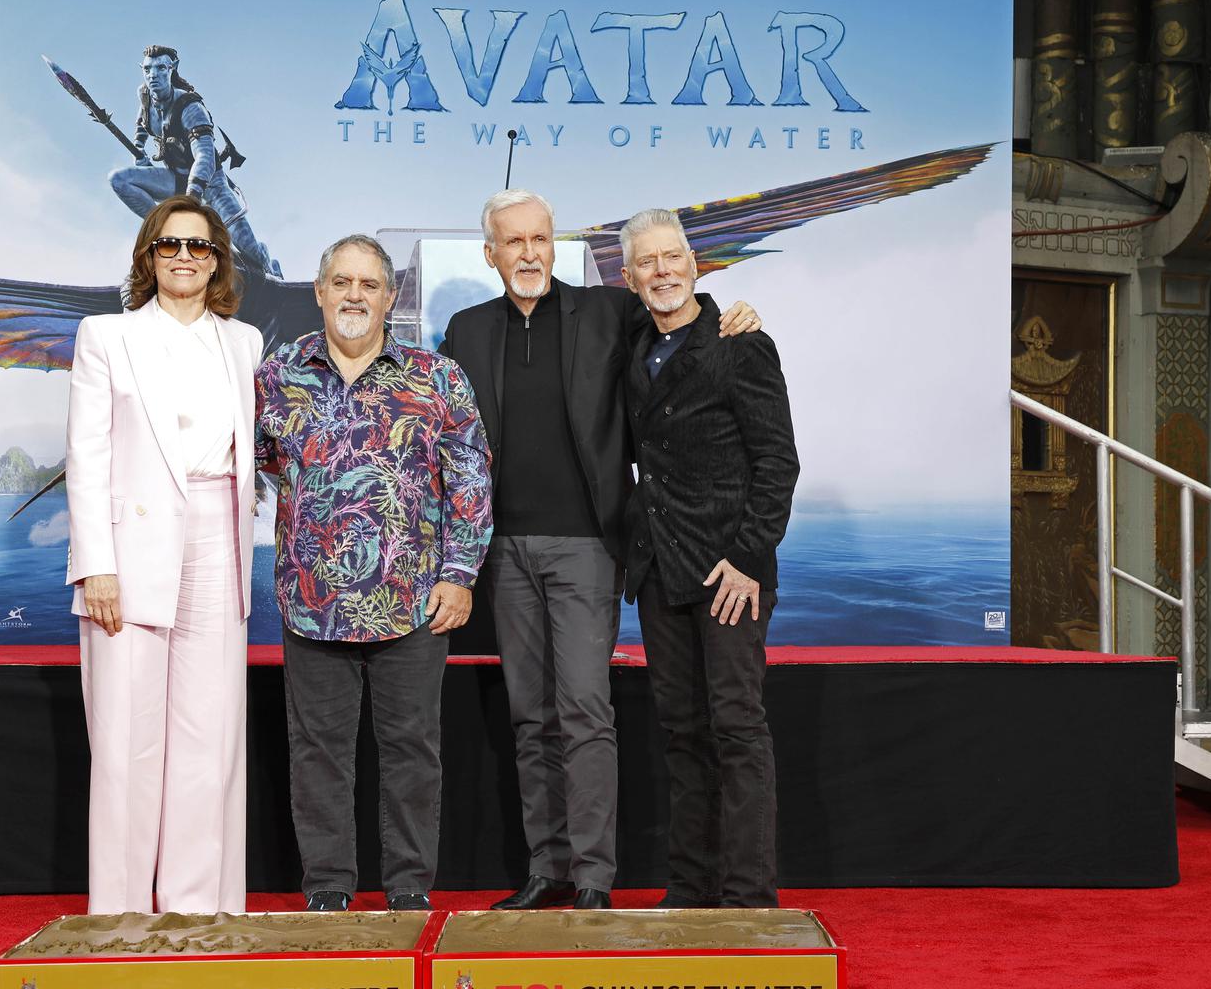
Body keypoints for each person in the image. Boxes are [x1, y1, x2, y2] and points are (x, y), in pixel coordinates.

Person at [438, 190, 760, 911]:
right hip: (505, 552)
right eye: (512, 242)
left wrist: (739, 315)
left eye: (539, 239)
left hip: (588, 544)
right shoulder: (464, 331)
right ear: (490, 253)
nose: (528, 253)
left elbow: (682, 316)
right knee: (530, 716)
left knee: (584, 709)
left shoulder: (607, 314)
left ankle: (591, 877)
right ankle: (546, 869)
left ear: (556, 246)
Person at [256, 235, 492, 913]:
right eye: (342, 282)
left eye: (369, 284)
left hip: (414, 602)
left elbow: (470, 481)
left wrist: (459, 573)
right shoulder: (278, 374)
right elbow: (270, 461)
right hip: (311, 602)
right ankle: (328, 888)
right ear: (321, 291)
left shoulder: (437, 378)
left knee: (412, 753)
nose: (354, 295)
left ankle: (410, 887)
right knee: (318, 755)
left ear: (391, 297)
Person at [65, 194, 264, 914]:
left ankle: (198, 909)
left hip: (219, 542)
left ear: (218, 262)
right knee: (125, 741)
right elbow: (86, 456)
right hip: (130, 550)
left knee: (208, 737)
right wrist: (97, 565)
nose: (185, 257)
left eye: (200, 247)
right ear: (149, 257)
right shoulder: (105, 335)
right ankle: (118, 913)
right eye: (171, 246)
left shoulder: (243, 343)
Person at [618, 208, 799, 909]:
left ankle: (749, 897)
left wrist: (750, 557)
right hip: (661, 572)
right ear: (631, 278)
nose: (663, 271)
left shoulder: (740, 344)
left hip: (731, 573)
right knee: (683, 732)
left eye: (673, 257)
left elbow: (777, 462)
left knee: (736, 728)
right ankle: (690, 889)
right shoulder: (633, 339)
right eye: (648, 262)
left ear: (696, 264)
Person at [109, 44, 280, 277]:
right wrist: (138, 151)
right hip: (175, 178)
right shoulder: (146, 96)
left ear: (172, 69)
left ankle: (270, 268)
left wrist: (191, 201)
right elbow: (141, 124)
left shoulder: (190, 107)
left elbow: (205, 156)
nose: (153, 75)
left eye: (160, 68)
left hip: (211, 183)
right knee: (120, 180)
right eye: (147, 69)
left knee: (248, 247)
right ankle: (168, 227)